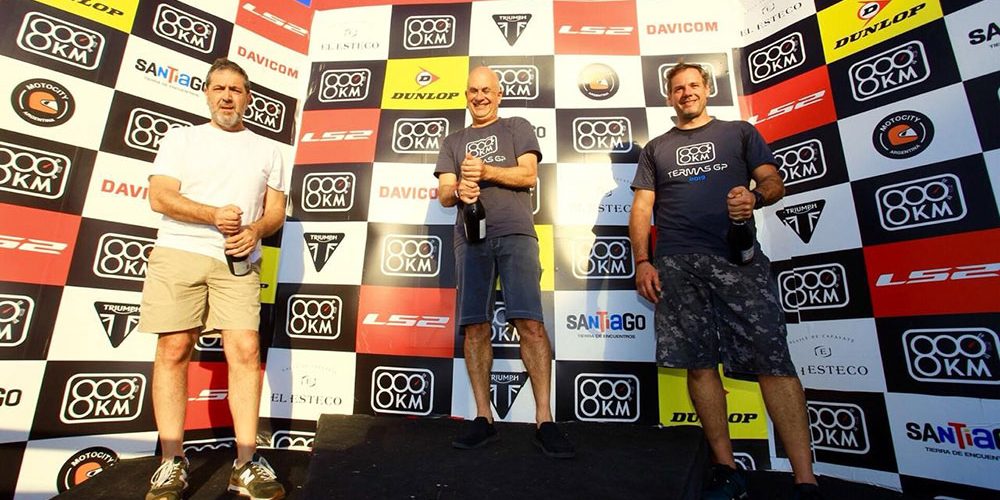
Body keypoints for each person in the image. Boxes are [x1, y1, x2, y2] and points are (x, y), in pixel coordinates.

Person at [629, 63, 821, 500]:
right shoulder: (656, 148)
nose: (686, 93)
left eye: (694, 85)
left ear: (707, 89)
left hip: (738, 260)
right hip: (677, 265)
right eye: (678, 88)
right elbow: (641, 209)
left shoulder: (739, 132)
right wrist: (643, 260)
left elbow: (773, 181)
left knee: (773, 362)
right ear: (669, 96)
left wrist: (754, 196)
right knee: (699, 365)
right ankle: (726, 469)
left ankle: (805, 480)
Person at [139, 58, 286, 500]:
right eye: (219, 88)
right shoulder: (180, 139)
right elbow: (159, 197)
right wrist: (212, 215)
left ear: (248, 98)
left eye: (235, 90)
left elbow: (275, 212)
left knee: (245, 350)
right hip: (179, 252)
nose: (227, 96)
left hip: (238, 262)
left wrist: (254, 231)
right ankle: (171, 462)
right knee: (173, 348)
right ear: (206, 93)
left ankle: (246, 462)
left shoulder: (269, 149)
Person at [434, 66, 574, 458]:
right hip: (470, 238)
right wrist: (459, 190)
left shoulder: (516, 127)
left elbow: (529, 176)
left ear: (498, 94)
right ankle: (484, 417)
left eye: (486, 90)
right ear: (466, 96)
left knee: (530, 323)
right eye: (473, 91)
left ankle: (545, 420)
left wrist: (486, 171)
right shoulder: (453, 140)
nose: (479, 97)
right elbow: (444, 193)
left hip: (516, 233)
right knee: (474, 327)